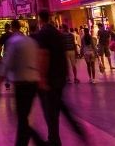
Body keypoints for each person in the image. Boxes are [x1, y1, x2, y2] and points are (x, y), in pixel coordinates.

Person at [33, 11, 86, 146]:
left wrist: (42, 78)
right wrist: (66, 74)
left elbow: (44, 55)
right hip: (60, 76)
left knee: (50, 111)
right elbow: (61, 55)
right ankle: (77, 131)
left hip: (50, 78)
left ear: (40, 19)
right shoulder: (58, 33)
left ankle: (54, 140)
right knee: (60, 107)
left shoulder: (43, 34)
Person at [1, 19, 45, 146]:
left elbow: (7, 62)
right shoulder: (31, 41)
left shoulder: (13, 41)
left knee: (21, 116)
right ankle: (24, 142)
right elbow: (39, 58)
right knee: (24, 115)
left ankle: (37, 141)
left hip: (21, 83)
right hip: (33, 81)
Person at [0, 23, 14, 90]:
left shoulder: (3, 35)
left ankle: (7, 83)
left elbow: (1, 46)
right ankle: (12, 81)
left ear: (5, 28)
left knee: (6, 68)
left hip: (6, 53)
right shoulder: (12, 35)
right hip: (12, 53)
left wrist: (0, 54)